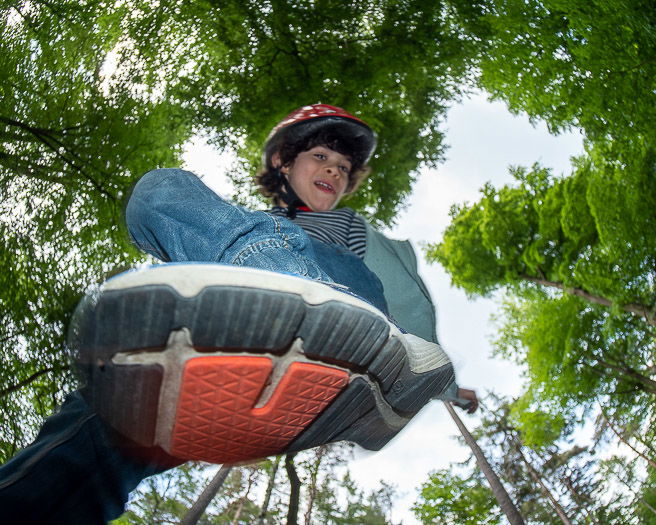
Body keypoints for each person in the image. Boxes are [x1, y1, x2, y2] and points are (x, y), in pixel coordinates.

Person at [0, 103, 475, 523]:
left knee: (311, 258)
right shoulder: (236, 228)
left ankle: (313, 313)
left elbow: (402, 305)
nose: (334, 170)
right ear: (283, 164)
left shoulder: (347, 229)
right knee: (160, 190)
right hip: (217, 340)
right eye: (321, 156)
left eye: (344, 167)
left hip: (344, 298)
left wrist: (439, 385)